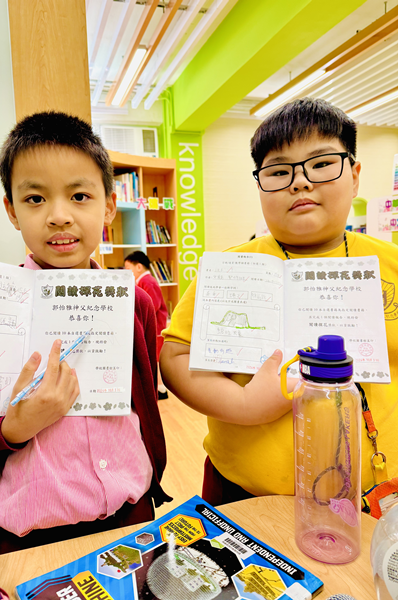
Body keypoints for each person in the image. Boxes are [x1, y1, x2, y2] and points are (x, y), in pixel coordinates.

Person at [0, 112, 170, 553]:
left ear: (109, 205)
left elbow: (144, 402)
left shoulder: (136, 303)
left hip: (130, 516)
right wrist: (12, 428)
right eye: (35, 199)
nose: (59, 216)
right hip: (28, 535)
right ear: (11, 210)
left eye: (80, 196)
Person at [160, 98, 398, 508]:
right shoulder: (230, 269)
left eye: (322, 164)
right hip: (244, 492)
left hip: (377, 493)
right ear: (259, 185)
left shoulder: (390, 263)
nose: (300, 182)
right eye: (278, 171)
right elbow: (176, 357)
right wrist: (244, 404)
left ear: (355, 176)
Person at [124, 251, 169, 399]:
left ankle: (160, 389)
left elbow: (153, 305)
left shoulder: (147, 281)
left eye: (128, 268)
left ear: (138, 267)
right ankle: (159, 389)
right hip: (152, 325)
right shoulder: (144, 281)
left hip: (155, 327)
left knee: (155, 359)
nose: (126, 272)